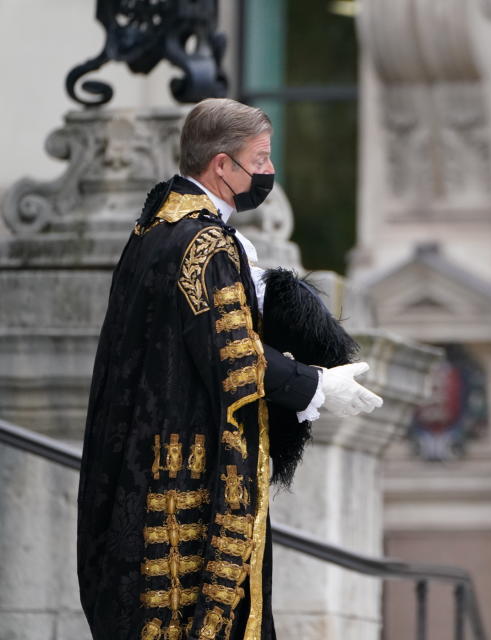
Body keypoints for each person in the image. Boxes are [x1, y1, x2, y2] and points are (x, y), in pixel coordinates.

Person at [77, 98, 382, 640]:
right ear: (222, 165)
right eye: (260, 158)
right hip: (185, 472)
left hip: (145, 461)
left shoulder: (157, 230)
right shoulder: (202, 242)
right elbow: (234, 355)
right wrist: (318, 384)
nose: (268, 171)